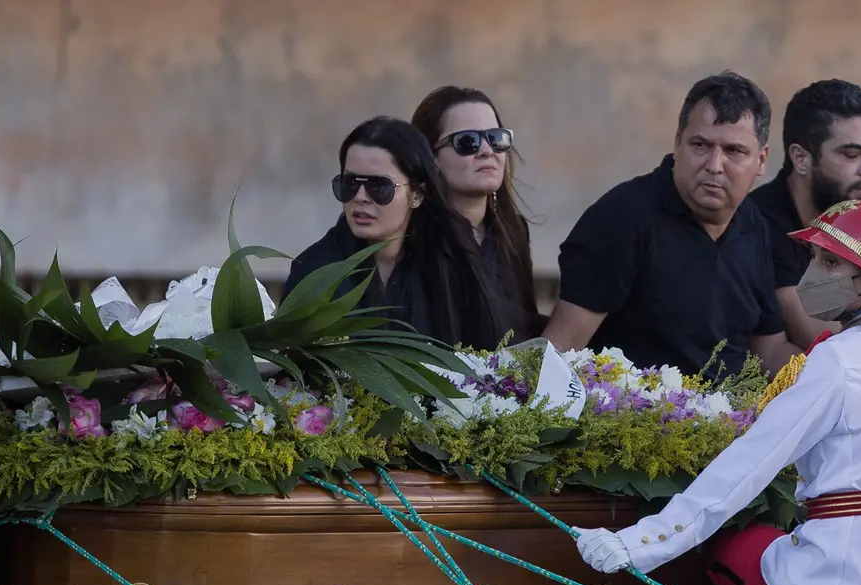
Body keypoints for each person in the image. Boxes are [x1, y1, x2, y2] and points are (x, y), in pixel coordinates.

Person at [574, 199, 861, 585]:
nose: (812, 275)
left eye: (829, 263)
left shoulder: (840, 358)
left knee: (735, 546)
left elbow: (748, 466)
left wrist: (639, 543)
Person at [542, 71, 800, 379]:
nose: (714, 165)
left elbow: (769, 350)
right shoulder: (622, 218)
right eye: (700, 145)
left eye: (733, 151)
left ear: (761, 160)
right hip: (630, 419)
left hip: (734, 421)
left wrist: (837, 372)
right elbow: (560, 353)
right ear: (677, 143)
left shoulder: (754, 224)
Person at [282, 116, 503, 350]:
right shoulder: (315, 271)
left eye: (379, 186)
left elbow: (486, 357)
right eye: (350, 184)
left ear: (417, 194)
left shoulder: (453, 260)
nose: (360, 197)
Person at [749, 79, 861, 350]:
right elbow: (827, 338)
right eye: (851, 154)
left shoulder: (851, 222)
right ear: (801, 158)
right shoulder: (763, 224)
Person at [411, 86, 545, 342]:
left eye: (497, 138)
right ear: (431, 158)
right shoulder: (409, 235)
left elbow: (526, 327)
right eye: (467, 141)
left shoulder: (513, 230)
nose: (487, 151)